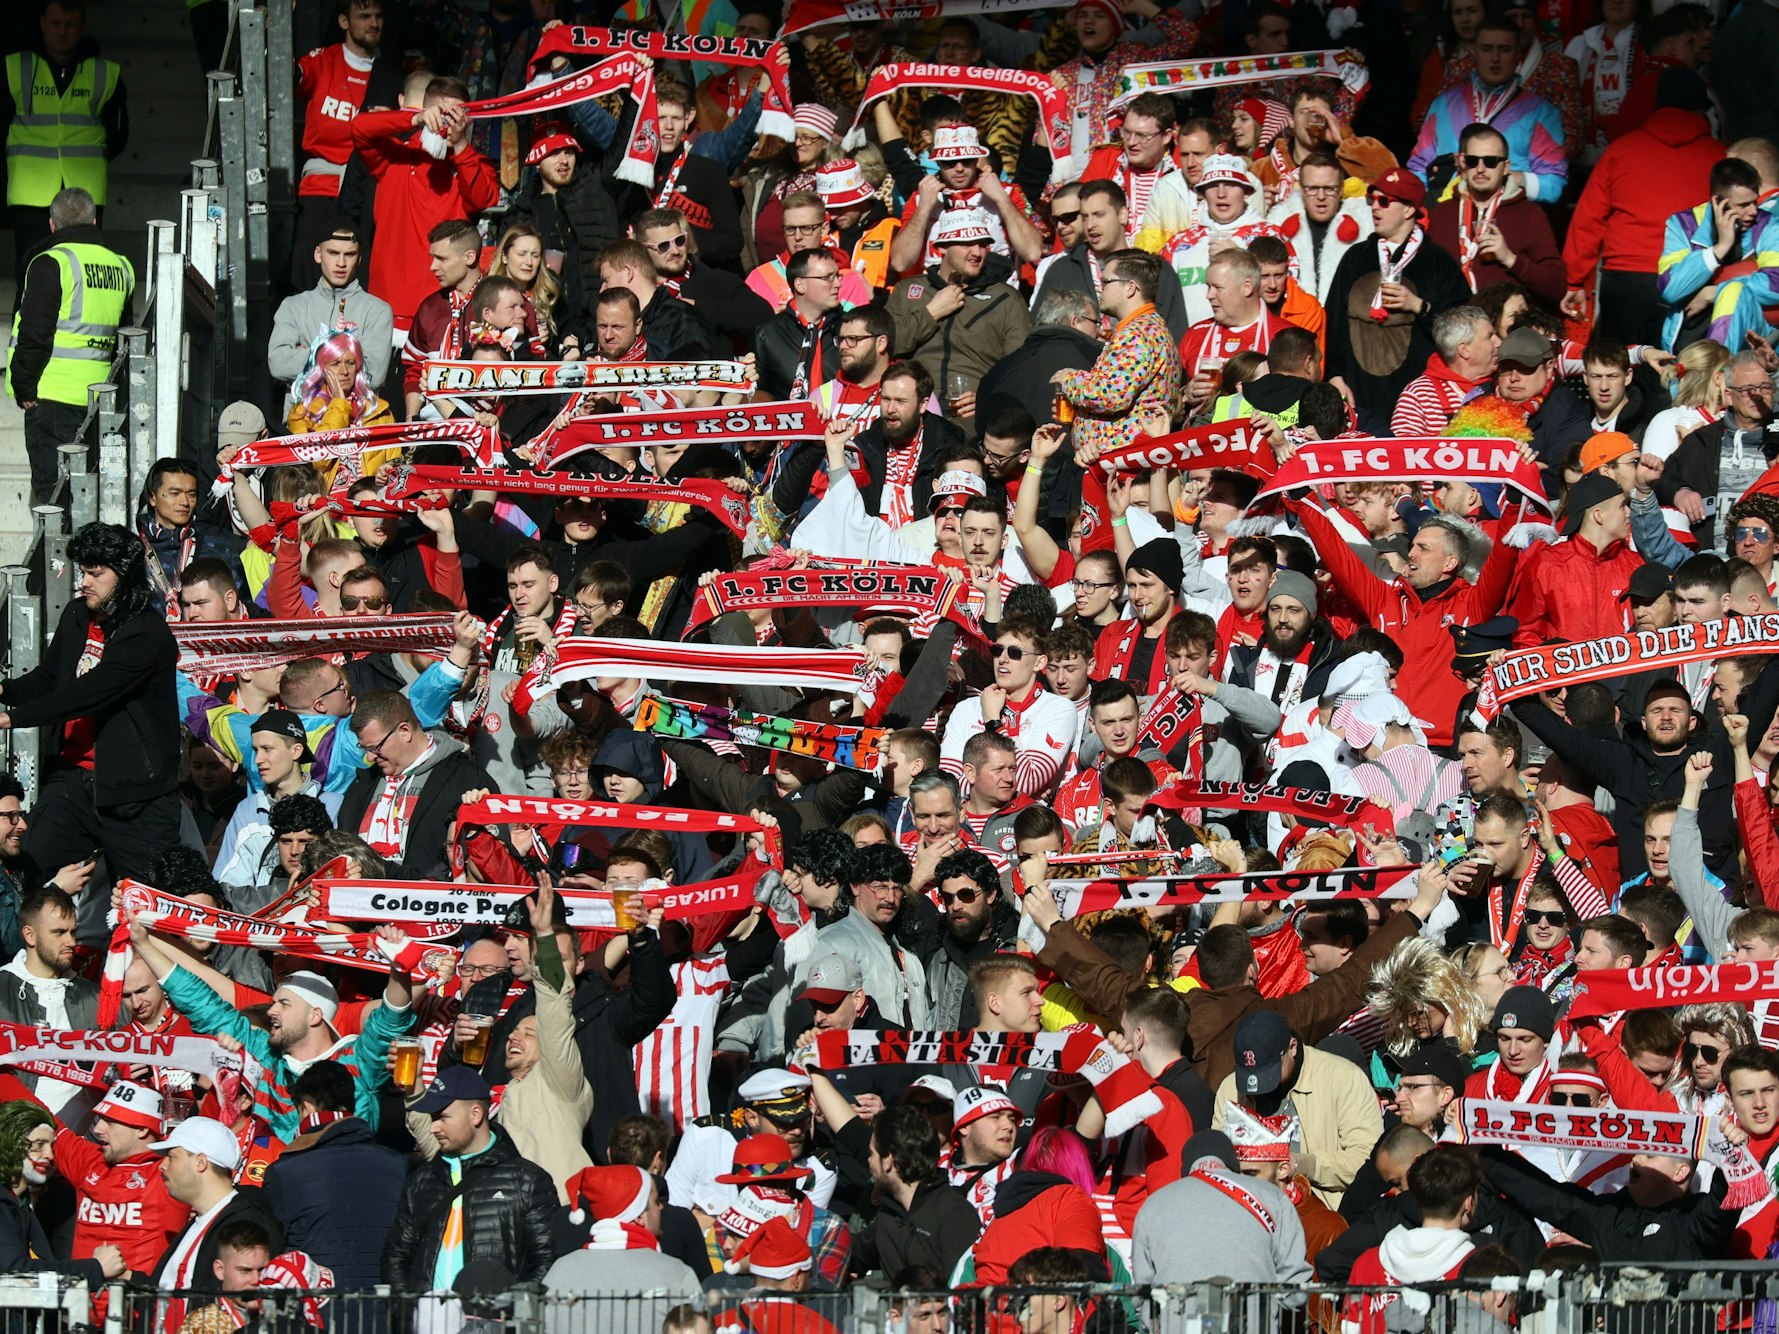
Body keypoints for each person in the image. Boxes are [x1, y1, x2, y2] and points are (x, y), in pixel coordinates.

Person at [0, 521, 179, 885]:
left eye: (96, 574)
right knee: (30, 876)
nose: (85, 582)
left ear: (124, 575)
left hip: (133, 796)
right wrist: (5, 692)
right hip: (70, 779)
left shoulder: (147, 633)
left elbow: (86, 694)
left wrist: (10, 719)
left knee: (149, 899)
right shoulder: (78, 614)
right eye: (83, 572)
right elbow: (51, 678)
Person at [1561, 68, 1723, 346]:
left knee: (1622, 374)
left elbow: (1587, 219)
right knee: (1681, 376)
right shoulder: (1720, 157)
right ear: (1701, 107)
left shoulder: (1620, 151)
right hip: (1691, 279)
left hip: (1625, 278)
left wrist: (1575, 280)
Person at [7, 185, 133, 503]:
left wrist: (23, 387)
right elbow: (126, 338)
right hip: (101, 397)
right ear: (93, 222)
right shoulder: (121, 266)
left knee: (54, 497)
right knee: (97, 495)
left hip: (52, 397)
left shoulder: (50, 263)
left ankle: (59, 556)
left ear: (52, 224)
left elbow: (34, 335)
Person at [349, 72, 498, 340]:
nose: (448, 123)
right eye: (442, 115)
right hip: (387, 312)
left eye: (457, 116)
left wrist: (461, 144)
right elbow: (358, 128)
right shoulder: (395, 156)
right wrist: (413, 118)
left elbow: (482, 199)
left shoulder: (474, 163)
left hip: (445, 313)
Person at [383, 1066, 557, 1288]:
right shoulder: (421, 1181)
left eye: (442, 1117)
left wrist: (509, 1310)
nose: (433, 1127)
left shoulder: (527, 1180)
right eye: (432, 1118)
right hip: (428, 1320)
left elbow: (547, 1259)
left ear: (476, 1114)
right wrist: (410, 1311)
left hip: (494, 1320)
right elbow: (396, 1257)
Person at [1324, 168, 1470, 433]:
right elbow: (1333, 319)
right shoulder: (1356, 257)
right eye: (1372, 200)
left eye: (1384, 201)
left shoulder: (1437, 262)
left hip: (1418, 401)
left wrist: (1419, 306)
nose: (1374, 208)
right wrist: (1335, 374)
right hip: (1360, 393)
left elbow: (1464, 326)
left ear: (1409, 210)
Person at [2, 0, 128, 283]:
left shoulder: (104, 73)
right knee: (30, 269)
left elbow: (119, 133)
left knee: (82, 270)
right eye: (56, 24)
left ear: (83, 28)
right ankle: (27, 326)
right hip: (29, 191)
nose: (63, 32)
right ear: (43, 24)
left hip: (84, 191)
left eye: (70, 25)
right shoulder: (15, 67)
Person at [259, 1061, 406, 1291]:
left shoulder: (284, 1172)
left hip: (315, 1312)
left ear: (306, 1108)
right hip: (384, 1309)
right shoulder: (399, 1165)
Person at [887, 209, 1031, 435]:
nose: (977, 252)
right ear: (941, 247)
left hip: (972, 418)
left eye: (983, 244)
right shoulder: (909, 291)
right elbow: (886, 345)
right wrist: (931, 312)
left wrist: (989, 397)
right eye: (967, 243)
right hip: (913, 412)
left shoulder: (1005, 298)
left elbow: (1021, 367)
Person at [1408, 16, 1568, 203]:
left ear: (1518, 54)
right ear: (1473, 51)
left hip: (1506, 223)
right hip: (1447, 218)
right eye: (1486, 49)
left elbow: (1553, 185)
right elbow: (1417, 170)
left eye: (1504, 49)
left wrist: (1504, 177)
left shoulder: (1541, 113)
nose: (1495, 58)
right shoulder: (1443, 105)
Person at [1427, 123, 1566, 304]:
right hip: (1451, 325)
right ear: (1462, 162)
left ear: (1506, 167)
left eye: (1490, 161)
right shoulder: (1441, 214)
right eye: (1472, 161)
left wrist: (1510, 259)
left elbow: (1557, 287)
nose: (1480, 168)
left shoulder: (1530, 215)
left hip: (1505, 328)